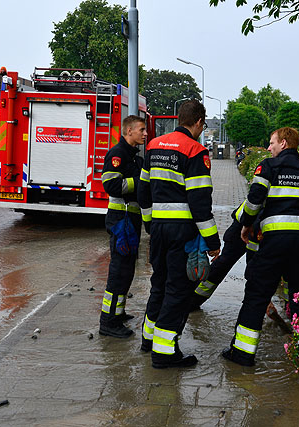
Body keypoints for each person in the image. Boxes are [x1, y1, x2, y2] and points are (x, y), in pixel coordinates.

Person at [222, 127, 299, 367]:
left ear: (284, 143)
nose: (269, 148)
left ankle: (242, 354)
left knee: (257, 296)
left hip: (273, 242)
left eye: (272, 143)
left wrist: (246, 226)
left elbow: (254, 201)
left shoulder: (268, 167)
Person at [138, 99, 221, 369]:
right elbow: (200, 203)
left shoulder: (153, 145)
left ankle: (148, 339)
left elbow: (143, 191)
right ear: (198, 122)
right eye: (203, 124)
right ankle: (164, 353)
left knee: (159, 283)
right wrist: (212, 242)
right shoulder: (195, 150)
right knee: (178, 290)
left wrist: (150, 224)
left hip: (159, 229)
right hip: (181, 232)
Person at [99, 115, 147, 338]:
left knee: (127, 268)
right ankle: (108, 322)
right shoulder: (117, 154)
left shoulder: (134, 157)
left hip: (130, 219)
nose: (145, 134)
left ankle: (118, 312)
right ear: (129, 131)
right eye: (141, 130)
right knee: (119, 270)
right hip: (121, 220)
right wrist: (139, 182)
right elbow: (111, 185)